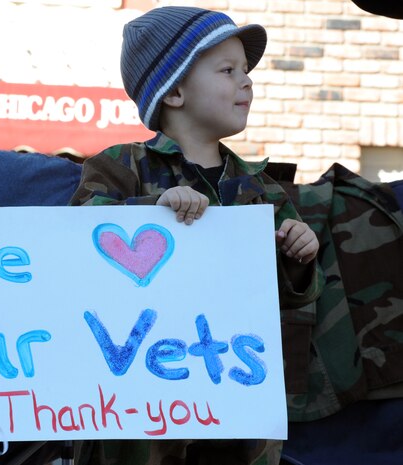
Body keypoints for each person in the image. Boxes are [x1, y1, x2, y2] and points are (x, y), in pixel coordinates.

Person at [69, 7, 324, 465]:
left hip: (238, 390)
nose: (247, 82)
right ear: (176, 92)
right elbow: (77, 238)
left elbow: (294, 298)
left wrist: (299, 256)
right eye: (228, 70)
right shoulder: (117, 165)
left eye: (245, 72)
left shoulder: (261, 186)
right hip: (138, 393)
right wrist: (154, 214)